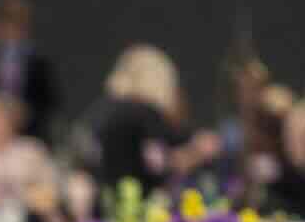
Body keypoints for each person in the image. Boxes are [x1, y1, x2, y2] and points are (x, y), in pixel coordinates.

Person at [80, 44, 220, 192]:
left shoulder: (104, 110)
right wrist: (195, 154)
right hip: (135, 203)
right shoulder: (145, 113)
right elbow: (158, 164)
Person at [0, 0, 59, 142]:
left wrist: (26, 113)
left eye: (16, 23)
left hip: (30, 132)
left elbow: (51, 101)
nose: (10, 30)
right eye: (5, 23)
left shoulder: (38, 62)